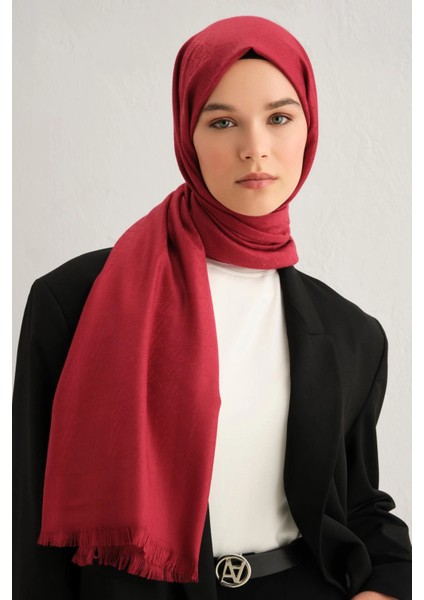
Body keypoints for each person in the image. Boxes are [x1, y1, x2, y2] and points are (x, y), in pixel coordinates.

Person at [13, 15, 412, 600]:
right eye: (223, 121)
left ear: (309, 128)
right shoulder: (76, 300)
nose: (255, 148)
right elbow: (30, 522)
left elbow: (357, 505)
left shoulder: (353, 334)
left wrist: (387, 587)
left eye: (279, 117)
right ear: (187, 135)